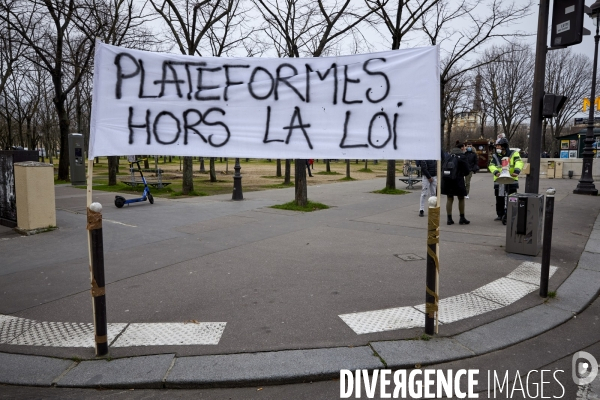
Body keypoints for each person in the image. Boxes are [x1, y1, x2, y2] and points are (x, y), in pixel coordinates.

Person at [488, 138, 523, 222]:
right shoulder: (495, 156)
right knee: (499, 198)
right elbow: (491, 165)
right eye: (496, 146)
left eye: (499, 146)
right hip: (500, 180)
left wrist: (516, 171)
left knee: (512, 198)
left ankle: (511, 214)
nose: (497, 148)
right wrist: (496, 172)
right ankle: (500, 215)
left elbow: (519, 162)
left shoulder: (513, 154)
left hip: (511, 179)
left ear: (504, 146)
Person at [441, 142, 471, 225]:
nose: (465, 148)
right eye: (465, 147)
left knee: (449, 198)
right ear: (461, 148)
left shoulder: (448, 156)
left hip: (447, 180)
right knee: (461, 198)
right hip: (457, 180)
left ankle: (449, 219)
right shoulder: (462, 157)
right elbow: (467, 171)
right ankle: (462, 218)